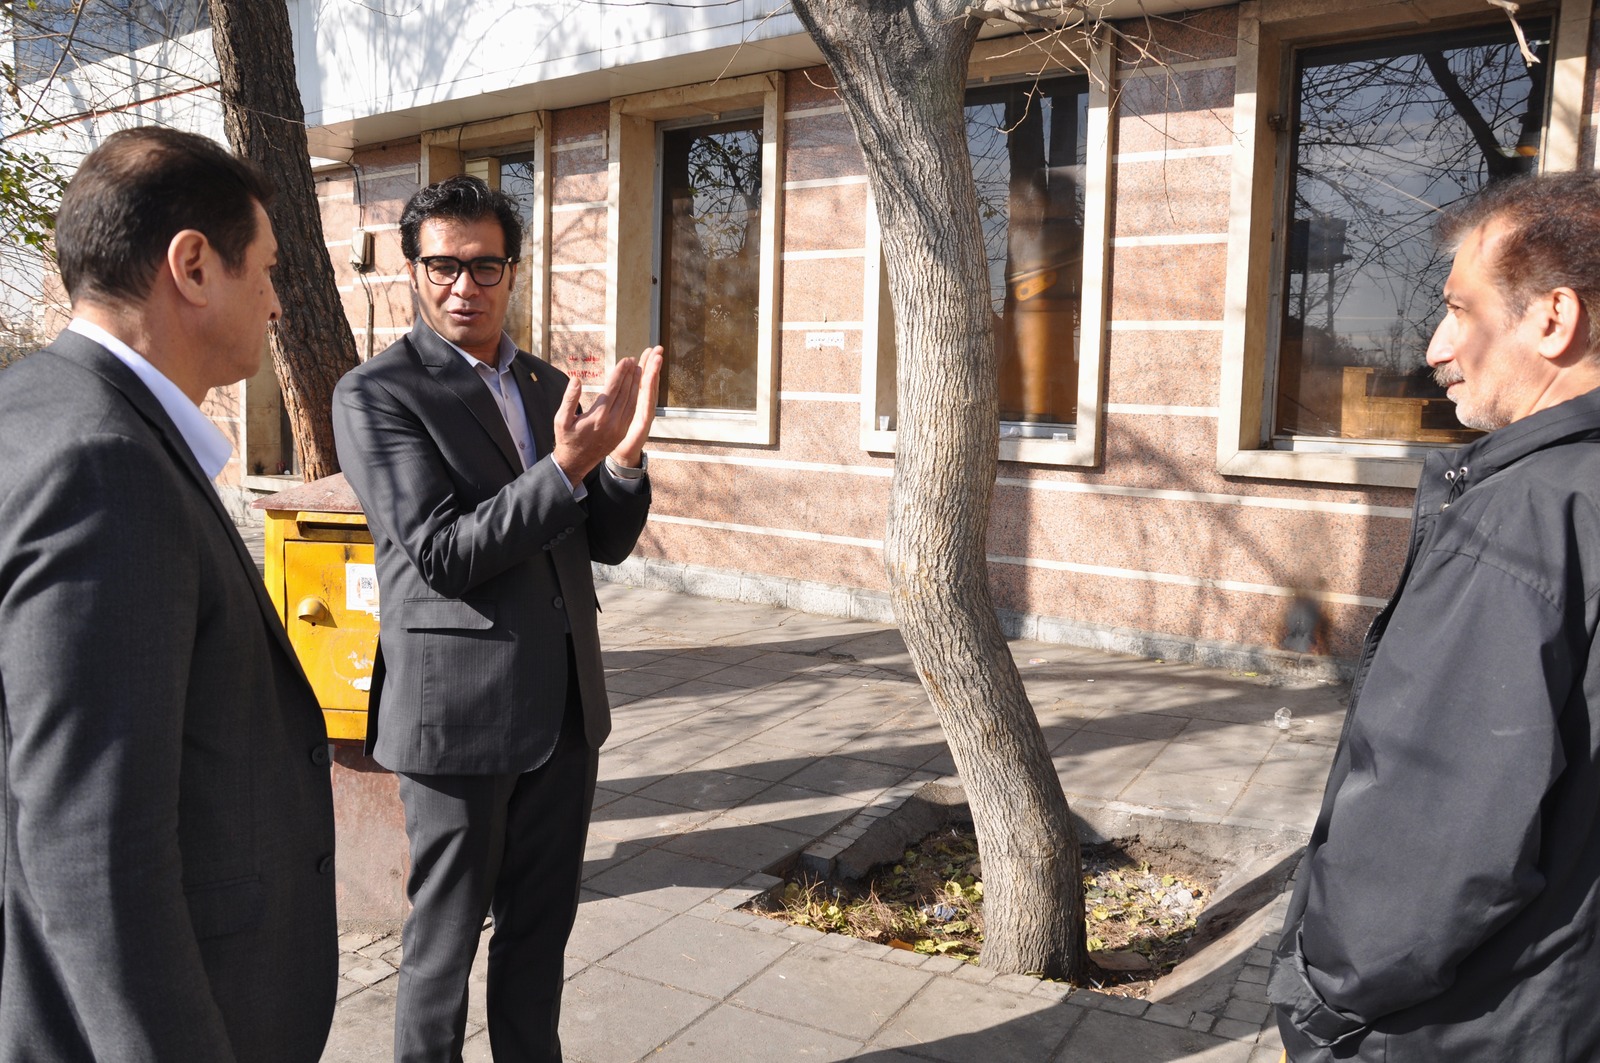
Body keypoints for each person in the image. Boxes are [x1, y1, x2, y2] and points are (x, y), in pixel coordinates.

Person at [0, 127, 337, 1060]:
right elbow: (95, 850)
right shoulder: (105, 467)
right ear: (193, 267)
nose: (277, 301)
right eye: (264, 270)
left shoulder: (32, 402)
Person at [1269, 171, 1600, 1060]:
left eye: (1459, 310)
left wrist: (1323, 1001)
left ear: (1553, 319)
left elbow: (1433, 844)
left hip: (1468, 1024)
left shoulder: (1521, 527)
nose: (1434, 347)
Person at [332, 174, 661, 1063]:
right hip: (457, 715)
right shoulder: (377, 393)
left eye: (485, 266)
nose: (463, 286)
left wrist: (622, 463)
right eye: (443, 265)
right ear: (413, 269)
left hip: (564, 708)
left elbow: (602, 542)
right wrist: (564, 467)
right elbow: (442, 552)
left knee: (538, 935)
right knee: (443, 947)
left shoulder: (547, 382)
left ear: (513, 270)